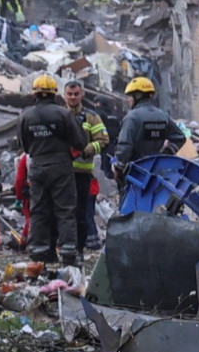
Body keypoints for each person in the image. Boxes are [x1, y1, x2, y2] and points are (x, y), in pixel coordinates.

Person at [18, 74, 88, 265]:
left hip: (37, 167)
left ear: (35, 94)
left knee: (38, 210)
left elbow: (24, 146)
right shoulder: (63, 114)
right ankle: (67, 253)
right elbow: (80, 142)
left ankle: (38, 253)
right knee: (65, 210)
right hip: (61, 168)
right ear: (54, 93)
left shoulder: (25, 116)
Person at [112, 76, 182, 199]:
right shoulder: (162, 115)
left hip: (135, 173)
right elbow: (180, 137)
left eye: (130, 96)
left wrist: (118, 168)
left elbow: (124, 146)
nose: (128, 100)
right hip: (158, 170)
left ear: (138, 96)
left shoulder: (132, 117)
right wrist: (167, 152)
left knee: (132, 205)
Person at [63, 80, 109, 252]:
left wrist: (89, 148)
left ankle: (79, 249)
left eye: (76, 94)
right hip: (62, 174)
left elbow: (103, 140)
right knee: (64, 214)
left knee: (82, 214)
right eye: (70, 94)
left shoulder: (91, 117)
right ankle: (66, 246)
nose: (73, 97)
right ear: (64, 95)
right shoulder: (58, 115)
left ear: (82, 95)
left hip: (82, 174)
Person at [13, 152, 32, 248]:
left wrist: (19, 197)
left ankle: (25, 244)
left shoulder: (25, 157)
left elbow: (20, 179)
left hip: (30, 193)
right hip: (48, 191)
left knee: (30, 219)